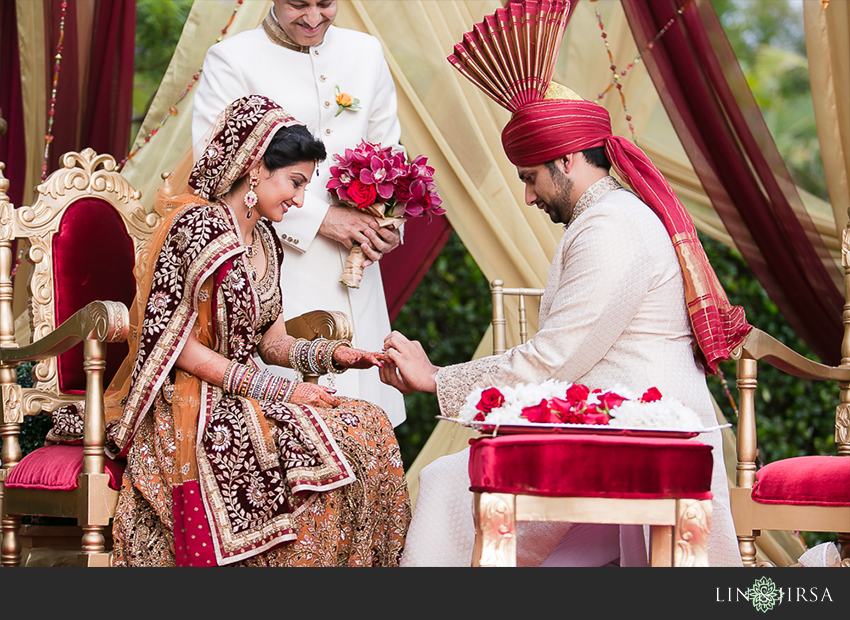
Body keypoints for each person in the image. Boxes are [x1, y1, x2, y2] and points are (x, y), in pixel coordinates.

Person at [379, 85, 750, 567]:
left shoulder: (610, 225)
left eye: (530, 178)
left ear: (568, 158)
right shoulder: (610, 214)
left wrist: (435, 379)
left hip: (644, 432)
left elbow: (556, 358)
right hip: (626, 423)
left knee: (447, 482)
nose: (529, 196)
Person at [47, 95, 411, 566]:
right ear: (256, 168)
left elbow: (272, 341)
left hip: (244, 393)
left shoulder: (263, 236)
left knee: (368, 422)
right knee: (319, 439)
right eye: (295, 183)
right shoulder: (198, 227)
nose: (301, 200)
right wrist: (275, 389)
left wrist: (335, 356)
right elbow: (175, 345)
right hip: (186, 399)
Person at [191, 0, 406, 428]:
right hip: (279, 264)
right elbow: (213, 170)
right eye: (297, 4)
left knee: (367, 419)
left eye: (325, 3)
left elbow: (391, 153)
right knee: (292, 423)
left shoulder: (366, 52)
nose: (313, 18)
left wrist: (391, 223)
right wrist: (323, 221)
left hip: (359, 270)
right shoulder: (232, 59)